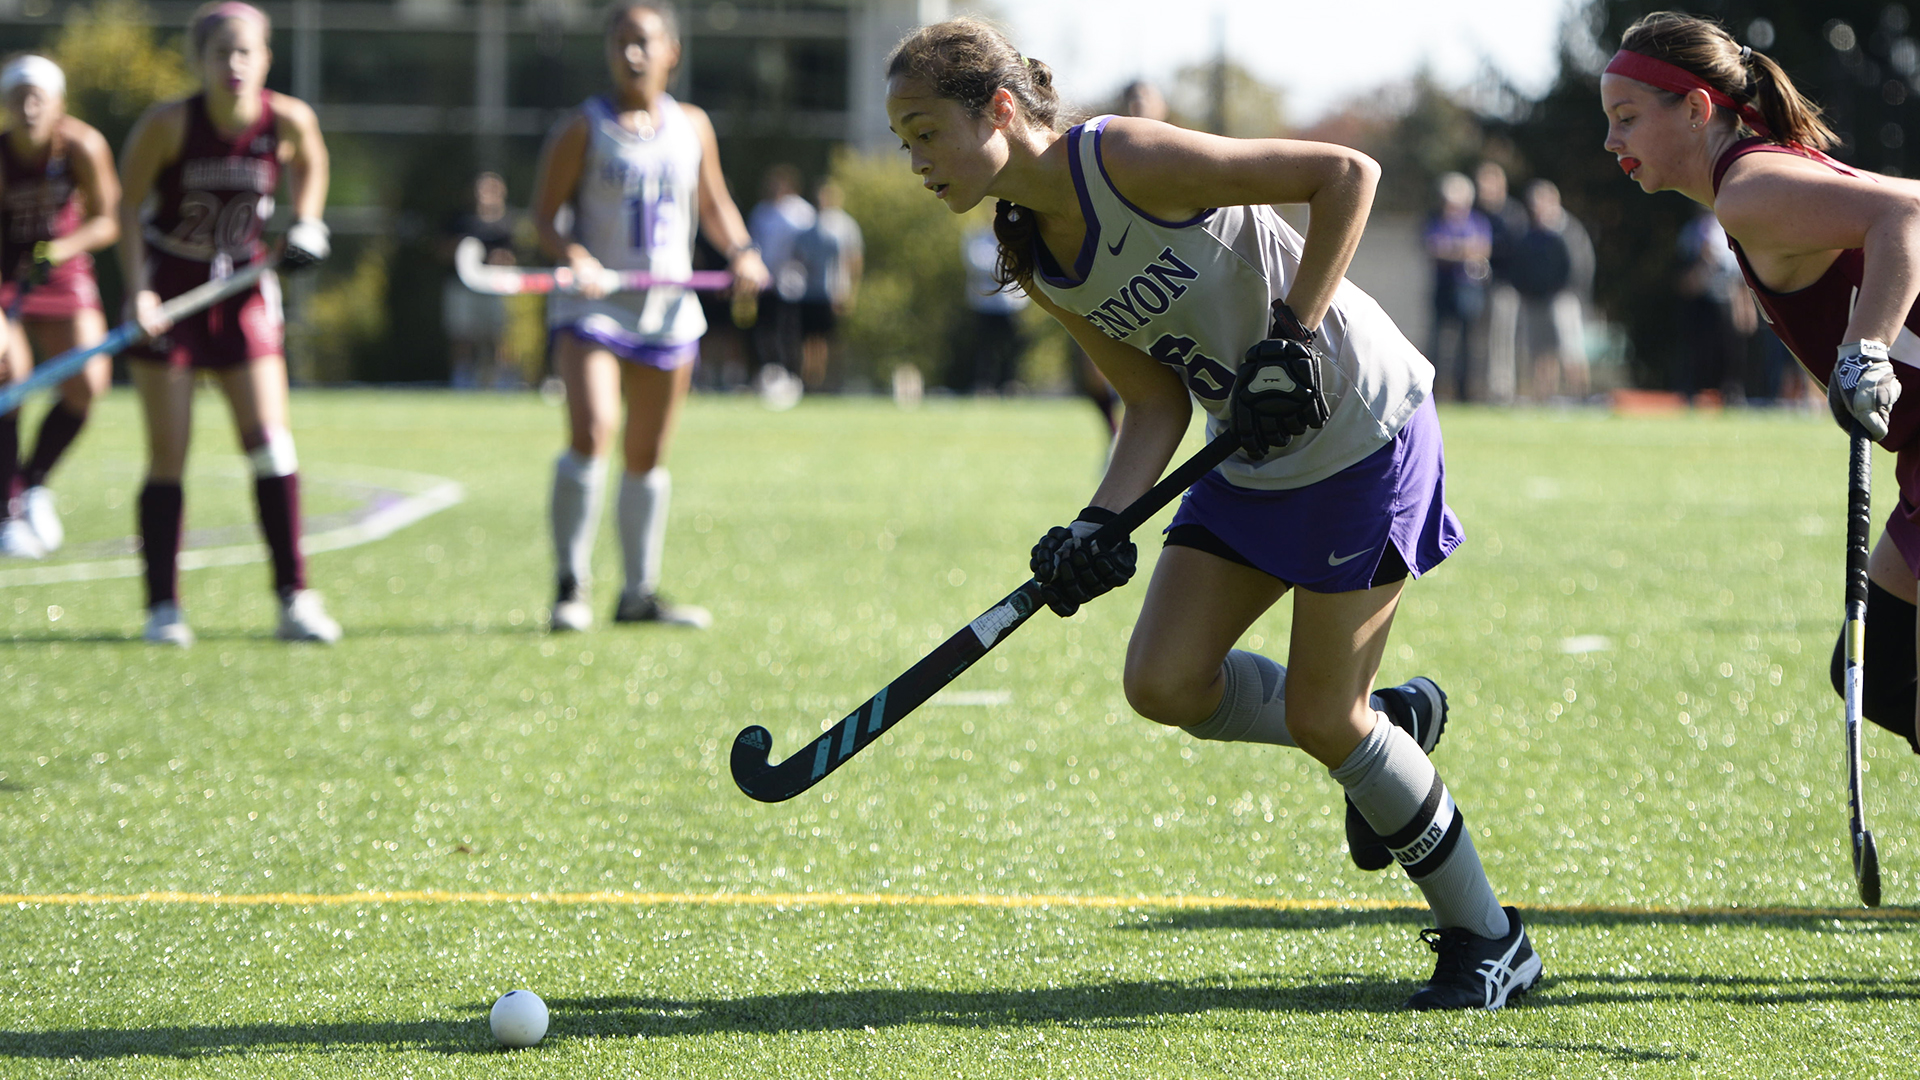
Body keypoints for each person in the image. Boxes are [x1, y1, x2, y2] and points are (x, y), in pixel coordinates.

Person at [886, 18, 1539, 1010]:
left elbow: (1346, 175)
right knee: (1165, 682)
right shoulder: (1035, 253)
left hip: (1360, 427)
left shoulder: (1122, 160)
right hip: (1253, 452)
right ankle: (1391, 729)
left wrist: (1294, 334)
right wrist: (1096, 523)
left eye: (927, 133)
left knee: (1324, 716)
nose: (917, 162)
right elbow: (1153, 403)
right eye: (906, 143)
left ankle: (1489, 938)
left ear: (1000, 110)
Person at [1599, 11, 1920, 756]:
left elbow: (1907, 215)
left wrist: (1865, 350)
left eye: (1627, 117)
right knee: (1877, 671)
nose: (1612, 141)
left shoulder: (1749, 189)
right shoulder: (1753, 181)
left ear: (1695, 108)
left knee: (1884, 674)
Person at [531, 0, 768, 633]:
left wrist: (742, 251)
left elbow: (714, 205)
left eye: (644, 41)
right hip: (596, 307)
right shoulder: (583, 128)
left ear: (672, 53)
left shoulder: (692, 126)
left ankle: (637, 594)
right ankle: (570, 587)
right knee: (593, 431)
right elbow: (544, 217)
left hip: (667, 312)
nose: (632, 54)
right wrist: (575, 255)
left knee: (647, 454)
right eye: (621, 43)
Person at [118, 1, 338, 647]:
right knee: (169, 453)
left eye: (246, 52)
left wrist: (308, 221)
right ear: (201, 61)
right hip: (172, 293)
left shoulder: (288, 119)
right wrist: (138, 293)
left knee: (271, 443)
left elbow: (311, 161)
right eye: (221, 53)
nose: (234, 64)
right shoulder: (168, 124)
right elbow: (126, 207)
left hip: (242, 291)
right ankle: (163, 608)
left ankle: (295, 598)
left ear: (265, 59)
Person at [0, 55, 118, 560]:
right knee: (9, 372)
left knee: (88, 380)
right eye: (18, 98)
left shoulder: (83, 146)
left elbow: (108, 220)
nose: (29, 107)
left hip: (63, 274)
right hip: (6, 277)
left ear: (59, 104)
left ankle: (32, 483)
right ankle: (6, 512)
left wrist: (63, 249)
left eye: (38, 97)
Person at [1509, 179, 1592, 401]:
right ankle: (1545, 397)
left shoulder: (1568, 230)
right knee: (1540, 351)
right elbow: (1518, 266)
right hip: (1534, 299)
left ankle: (1580, 396)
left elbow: (1580, 265)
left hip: (1563, 299)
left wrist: (1569, 291)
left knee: (1570, 349)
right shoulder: (1528, 233)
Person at [746, 163, 813, 404]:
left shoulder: (801, 212)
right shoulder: (762, 212)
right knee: (766, 329)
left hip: (792, 282)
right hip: (765, 281)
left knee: (790, 331)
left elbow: (808, 246)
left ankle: (793, 375)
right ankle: (770, 372)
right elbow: (753, 243)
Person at [443, 171, 516, 389]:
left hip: (494, 288)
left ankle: (501, 382)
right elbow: (440, 250)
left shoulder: (507, 224)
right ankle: (462, 381)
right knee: (462, 336)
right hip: (462, 286)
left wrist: (500, 260)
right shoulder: (460, 221)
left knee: (498, 337)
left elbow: (513, 258)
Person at [1422, 172, 1490, 403]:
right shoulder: (1436, 221)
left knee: (1468, 344)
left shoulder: (1477, 221)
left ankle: (1465, 393)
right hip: (1444, 288)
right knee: (1439, 342)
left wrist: (1454, 250)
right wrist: (1463, 250)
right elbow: (1434, 249)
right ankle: (1435, 391)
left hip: (1470, 289)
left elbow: (1483, 249)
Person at [1674, 207, 1753, 404]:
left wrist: (1746, 307)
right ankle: (1697, 393)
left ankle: (1732, 393)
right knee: (1701, 354)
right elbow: (1683, 281)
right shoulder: (1690, 233)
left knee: (1731, 355)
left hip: (1727, 302)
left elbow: (1740, 277)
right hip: (1702, 304)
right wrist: (1704, 261)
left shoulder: (1732, 227)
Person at [791, 178, 862, 390]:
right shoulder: (808, 227)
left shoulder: (846, 226)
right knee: (808, 339)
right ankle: (809, 381)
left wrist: (850, 291)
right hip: (810, 292)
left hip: (834, 292)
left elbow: (854, 260)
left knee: (829, 340)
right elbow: (798, 258)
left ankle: (829, 382)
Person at [1474, 161, 1528, 403]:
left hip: (1504, 287)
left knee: (1501, 340)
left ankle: (1501, 391)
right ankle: (1479, 390)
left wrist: (1485, 249)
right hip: (1477, 287)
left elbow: (1515, 249)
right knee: (1479, 340)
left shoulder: (1512, 214)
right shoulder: (1477, 213)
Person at [953, 221, 1027, 393]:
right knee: (985, 348)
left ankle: (1009, 383)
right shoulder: (979, 238)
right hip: (985, 305)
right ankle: (984, 384)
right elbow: (976, 264)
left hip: (1010, 305)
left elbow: (1021, 264)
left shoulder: (1016, 236)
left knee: (1010, 347)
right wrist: (1004, 267)